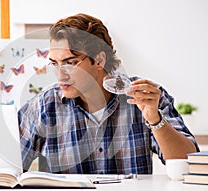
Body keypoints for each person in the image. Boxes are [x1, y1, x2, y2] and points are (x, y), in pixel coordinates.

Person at [18, 13, 199, 174]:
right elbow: (8, 168)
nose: (60, 74)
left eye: (70, 63)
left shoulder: (145, 97)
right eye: (54, 64)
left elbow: (188, 165)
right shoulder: (43, 106)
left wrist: (155, 119)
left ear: (99, 60)